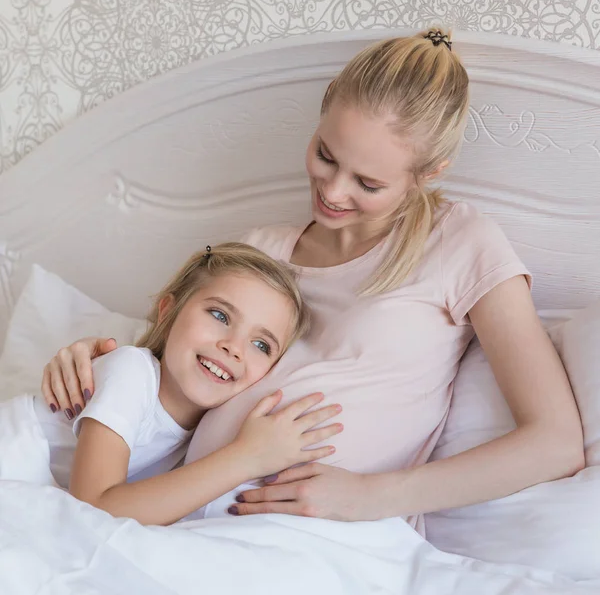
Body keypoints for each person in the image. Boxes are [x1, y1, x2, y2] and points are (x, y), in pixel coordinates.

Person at [42, 28, 584, 534]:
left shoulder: (461, 242)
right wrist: (96, 360)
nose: (334, 191)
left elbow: (556, 443)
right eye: (326, 155)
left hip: (332, 540)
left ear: (429, 173)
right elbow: (167, 384)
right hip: (195, 529)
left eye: (368, 183)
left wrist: (374, 495)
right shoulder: (259, 252)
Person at [32, 242, 343, 525]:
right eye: (220, 315)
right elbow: (92, 511)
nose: (233, 347)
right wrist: (246, 457)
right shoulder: (131, 371)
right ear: (168, 312)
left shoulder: (201, 436)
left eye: (261, 345)